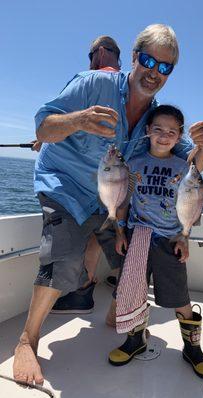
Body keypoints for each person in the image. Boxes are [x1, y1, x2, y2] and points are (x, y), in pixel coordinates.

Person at [13, 24, 203, 385]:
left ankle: (123, 315)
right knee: (64, 257)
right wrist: (79, 120)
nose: (154, 72)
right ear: (135, 57)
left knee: (134, 255)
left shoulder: (155, 117)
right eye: (149, 60)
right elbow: (43, 128)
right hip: (66, 184)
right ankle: (27, 340)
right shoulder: (94, 84)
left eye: (165, 67)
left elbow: (189, 163)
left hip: (113, 202)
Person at [108, 105, 203, 379]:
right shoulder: (134, 163)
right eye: (158, 130)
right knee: (133, 289)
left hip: (169, 240)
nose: (164, 136)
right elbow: (123, 200)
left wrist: (185, 238)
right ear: (147, 132)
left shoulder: (184, 167)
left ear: (179, 137)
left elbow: (193, 200)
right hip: (136, 235)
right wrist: (119, 232)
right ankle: (135, 340)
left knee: (180, 297)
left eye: (171, 132)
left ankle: (192, 348)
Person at [32, 35, 122, 315]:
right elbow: (48, 127)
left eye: (93, 54)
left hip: (87, 189)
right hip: (85, 190)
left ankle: (83, 291)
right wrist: (60, 130)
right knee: (101, 234)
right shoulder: (117, 89)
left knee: (98, 229)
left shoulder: (90, 79)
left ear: (99, 54)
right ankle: (103, 301)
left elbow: (48, 126)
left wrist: (54, 132)